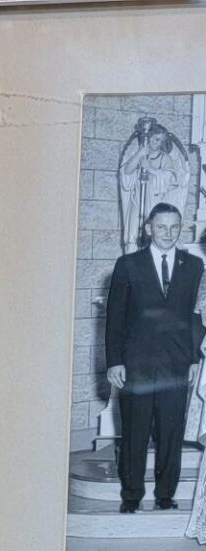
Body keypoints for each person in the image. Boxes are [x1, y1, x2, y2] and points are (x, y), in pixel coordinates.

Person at [105, 203, 204, 513]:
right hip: (136, 365)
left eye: (175, 227)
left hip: (175, 364)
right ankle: (131, 496)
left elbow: (192, 318)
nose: (168, 233)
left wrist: (191, 359)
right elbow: (114, 318)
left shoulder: (194, 266)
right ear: (149, 228)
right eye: (162, 227)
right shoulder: (127, 265)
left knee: (171, 433)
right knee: (135, 431)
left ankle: (165, 496)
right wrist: (114, 361)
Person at [120, 125, 189, 254]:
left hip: (154, 202)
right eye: (154, 139)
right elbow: (127, 172)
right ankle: (131, 267)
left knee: (151, 235)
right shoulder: (140, 155)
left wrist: (150, 169)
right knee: (132, 236)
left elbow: (170, 178)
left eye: (160, 141)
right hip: (137, 199)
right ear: (148, 137)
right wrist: (140, 154)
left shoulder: (164, 158)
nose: (156, 143)